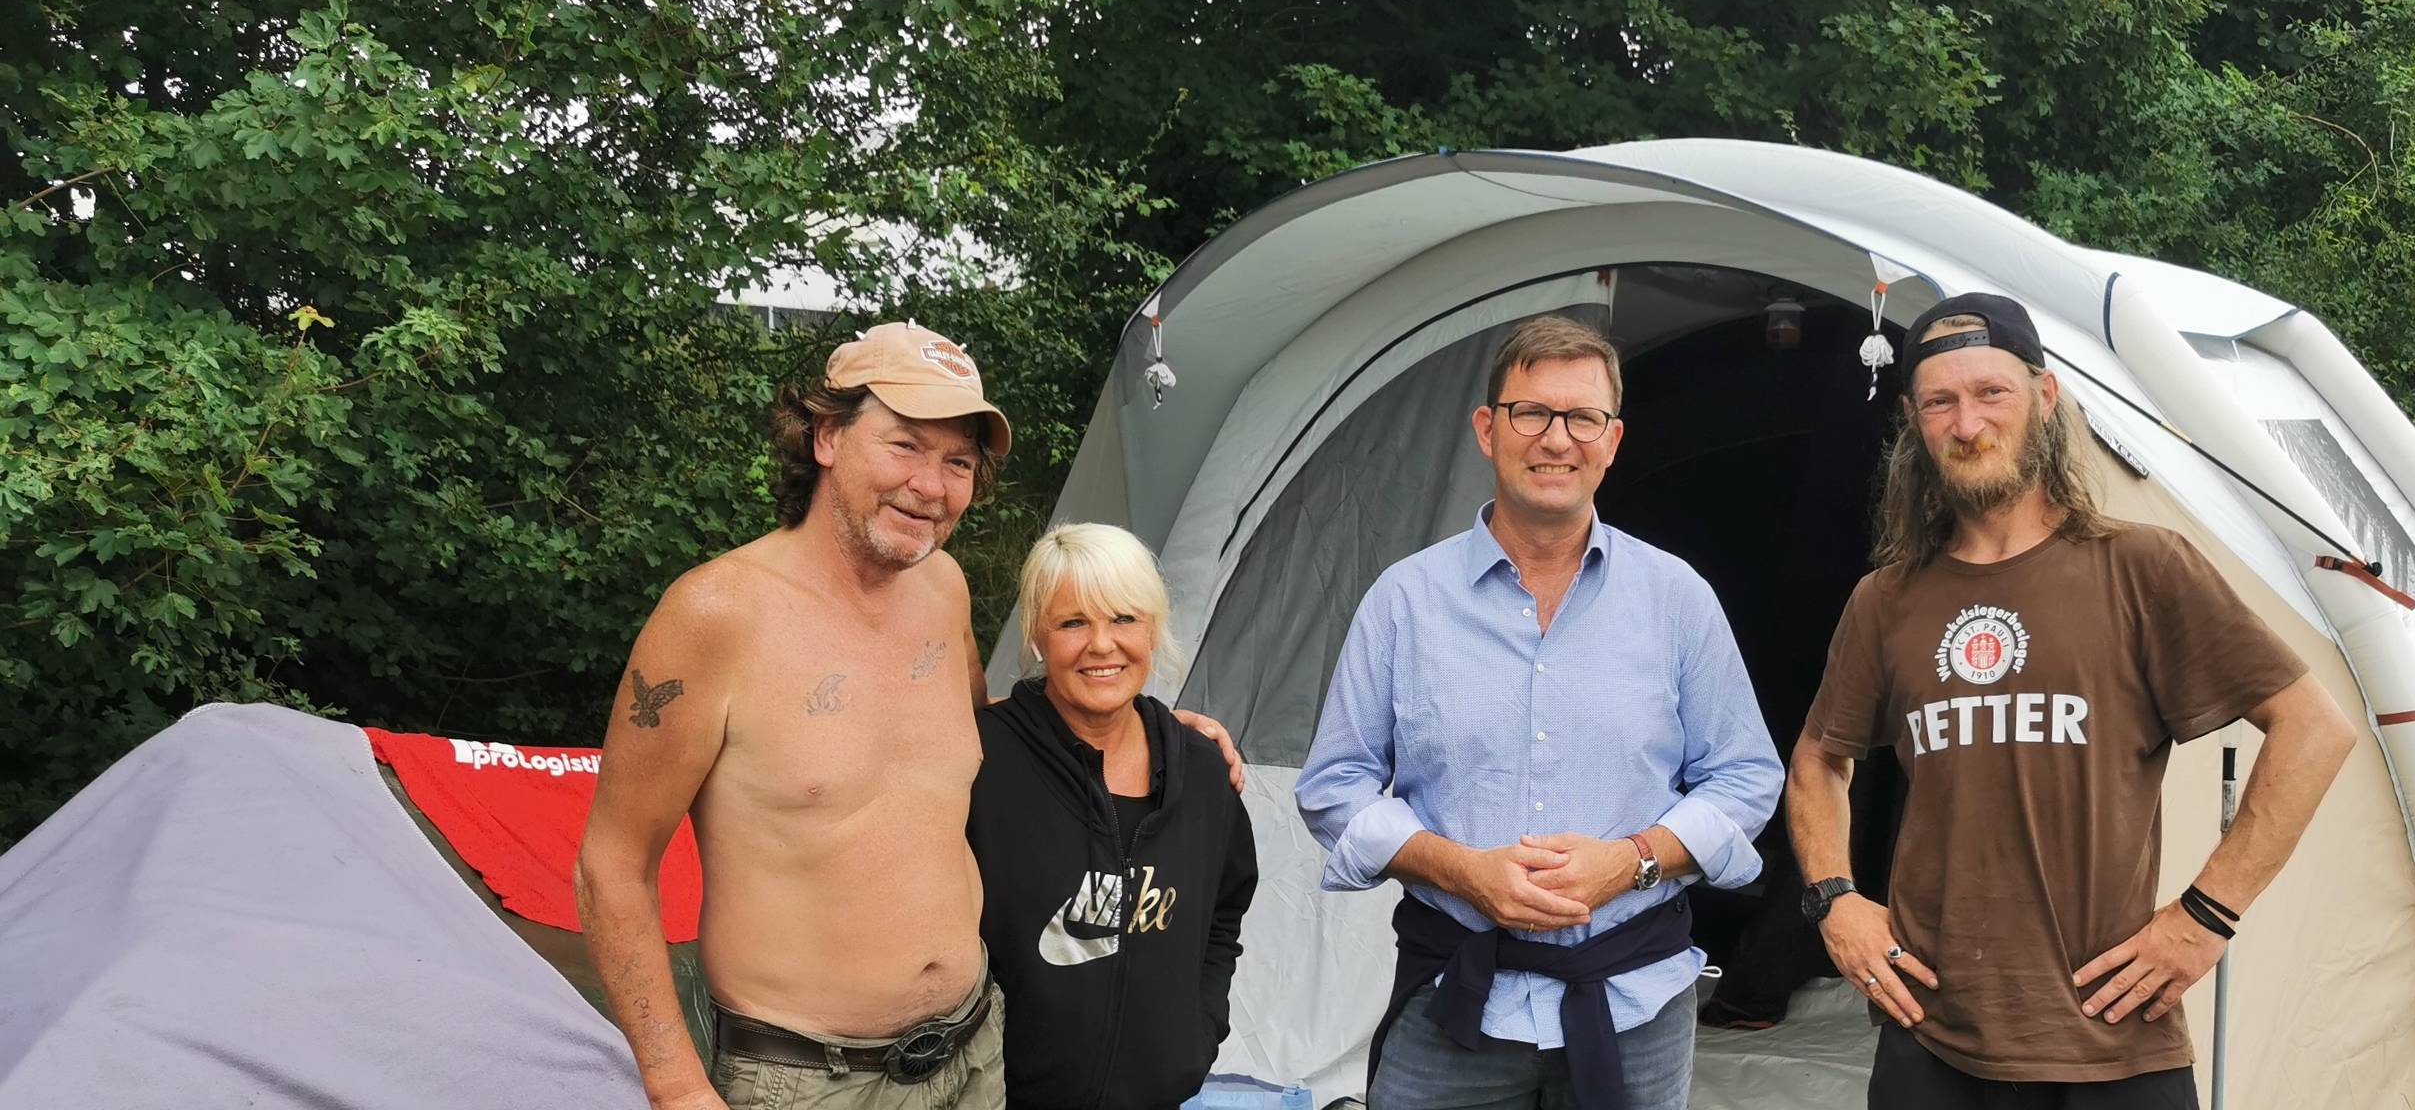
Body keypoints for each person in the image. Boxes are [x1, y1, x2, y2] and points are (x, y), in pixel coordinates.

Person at [577, 323, 1243, 1110]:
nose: (932, 487)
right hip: (805, 1078)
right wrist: (676, 1085)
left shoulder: (942, 590)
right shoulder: (716, 616)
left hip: (976, 1052)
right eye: (904, 446)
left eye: (957, 462)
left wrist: (1149, 731)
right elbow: (611, 865)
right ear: (826, 436)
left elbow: (989, 745)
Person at [1785, 293, 2360, 1109]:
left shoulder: (2140, 567)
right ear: (1913, 421)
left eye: (1992, 393)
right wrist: (1834, 903)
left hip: (2113, 1038)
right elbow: (1818, 759)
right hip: (1931, 1035)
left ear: (2043, 398)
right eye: (1940, 402)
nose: (1967, 422)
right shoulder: (1886, 600)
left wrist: (2203, 918)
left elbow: (2313, 730)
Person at [1295, 314, 1785, 1110]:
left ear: (1612, 439)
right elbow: (1334, 785)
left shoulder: (1676, 600)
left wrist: (1629, 861)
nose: (1556, 439)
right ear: (1488, 429)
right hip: (1454, 998)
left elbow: (1744, 779)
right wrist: (1462, 871)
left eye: (1581, 417)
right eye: (1532, 413)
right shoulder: (1405, 601)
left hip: (1635, 1003)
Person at [970, 523, 1258, 1110]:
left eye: (1125, 619)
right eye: (1073, 622)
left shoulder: (1202, 773)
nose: (1102, 645)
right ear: (1037, 635)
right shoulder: (981, 763)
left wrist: (1195, 1037)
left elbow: (1224, 913)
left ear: (1153, 629)